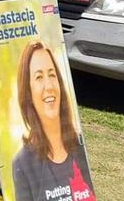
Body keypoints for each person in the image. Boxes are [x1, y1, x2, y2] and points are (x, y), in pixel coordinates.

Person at [11, 41, 96, 201]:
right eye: (39, 77)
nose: (49, 85)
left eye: (52, 75)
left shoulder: (82, 147)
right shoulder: (23, 164)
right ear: (28, 92)